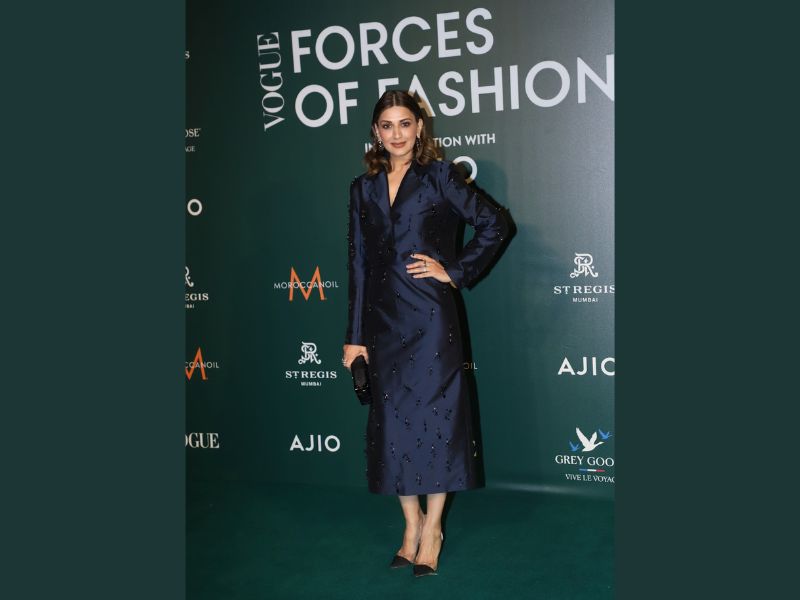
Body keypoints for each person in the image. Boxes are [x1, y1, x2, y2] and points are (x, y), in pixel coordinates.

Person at [342, 90, 510, 577]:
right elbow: (357, 265)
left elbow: (495, 224)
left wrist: (454, 271)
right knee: (393, 425)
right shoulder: (362, 188)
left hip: (430, 319)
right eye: (387, 125)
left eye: (405, 123)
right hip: (382, 324)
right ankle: (410, 525)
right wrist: (354, 336)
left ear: (420, 127)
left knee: (437, 424)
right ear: (376, 132)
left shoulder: (439, 176)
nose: (396, 133)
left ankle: (433, 529)